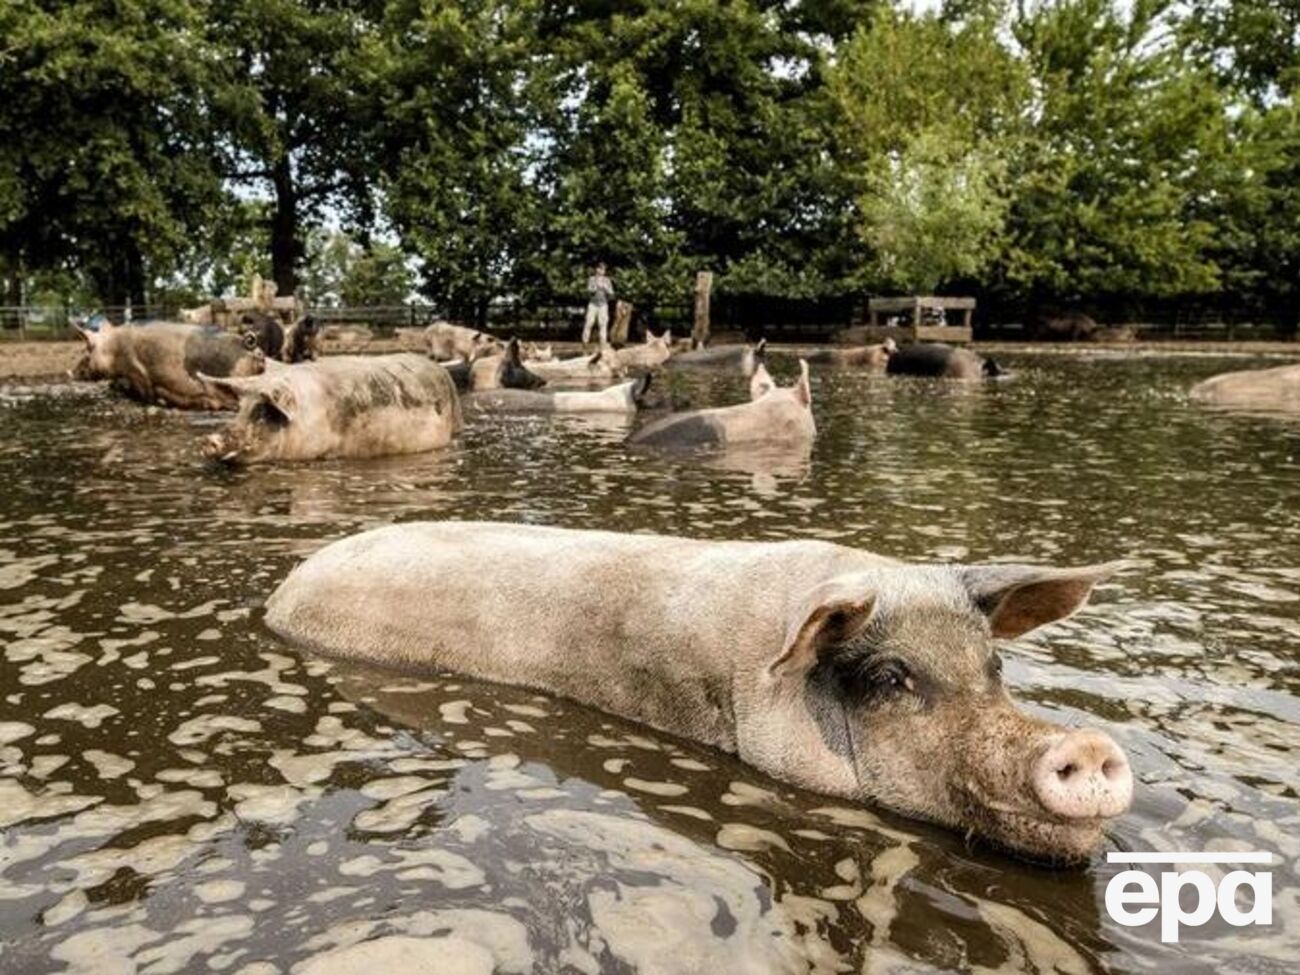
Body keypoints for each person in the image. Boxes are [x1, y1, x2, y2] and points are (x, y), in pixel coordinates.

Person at [583, 262, 614, 347]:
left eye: (604, 269)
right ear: (597, 269)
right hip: (593, 304)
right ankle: (585, 342)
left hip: (603, 304)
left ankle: (603, 343)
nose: (603, 271)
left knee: (603, 324)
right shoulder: (592, 279)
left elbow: (611, 292)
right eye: (601, 269)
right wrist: (596, 287)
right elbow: (589, 290)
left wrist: (605, 287)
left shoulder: (607, 280)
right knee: (589, 322)